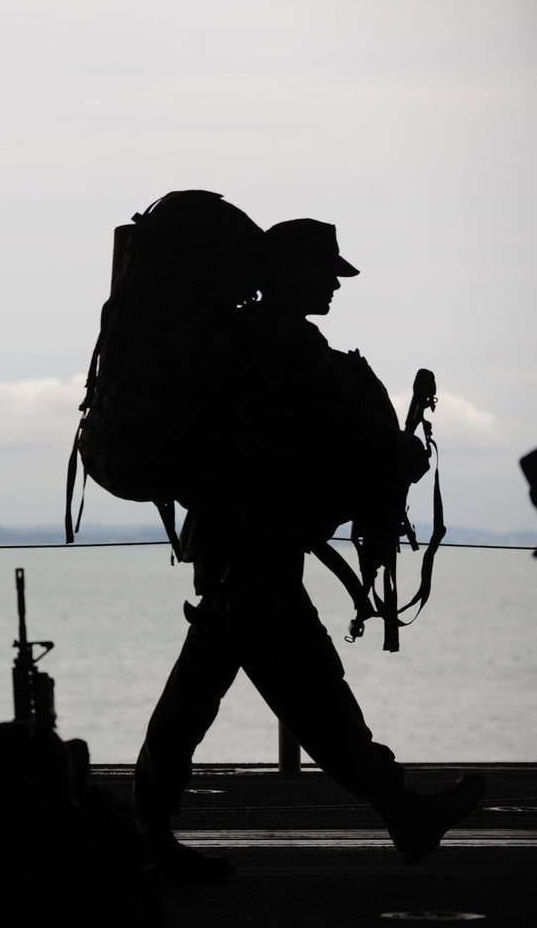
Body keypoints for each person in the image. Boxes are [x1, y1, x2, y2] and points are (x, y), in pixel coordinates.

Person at [132, 216, 485, 881]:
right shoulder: (281, 344)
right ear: (286, 270)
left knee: (224, 696)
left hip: (242, 547)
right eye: (325, 271)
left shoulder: (255, 340)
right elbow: (346, 436)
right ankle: (402, 810)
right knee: (311, 700)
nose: (334, 284)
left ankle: (147, 827)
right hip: (253, 550)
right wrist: (405, 452)